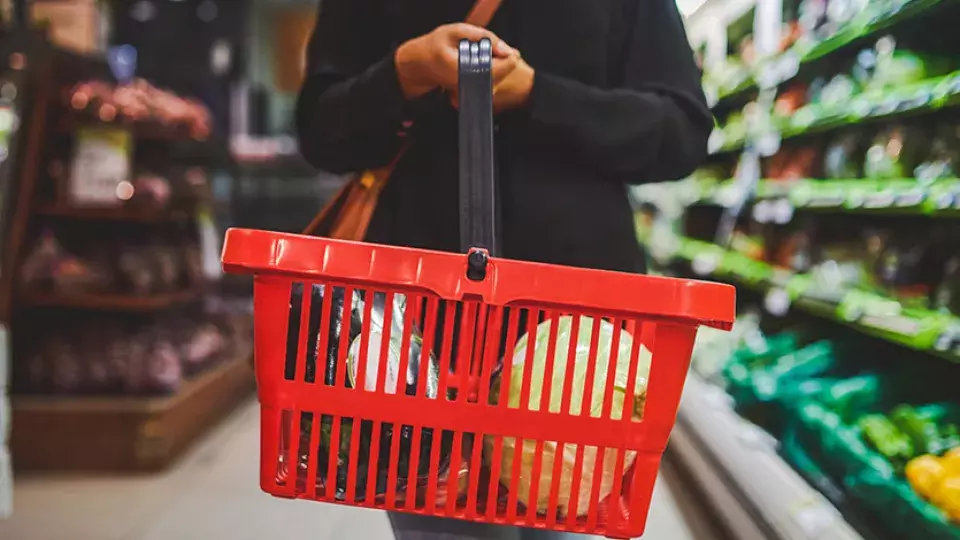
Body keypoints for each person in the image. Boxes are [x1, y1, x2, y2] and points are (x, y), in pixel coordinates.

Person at [296, 0, 711, 274]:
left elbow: (681, 131)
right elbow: (319, 130)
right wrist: (405, 72)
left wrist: (538, 95)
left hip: (579, 322)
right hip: (405, 310)